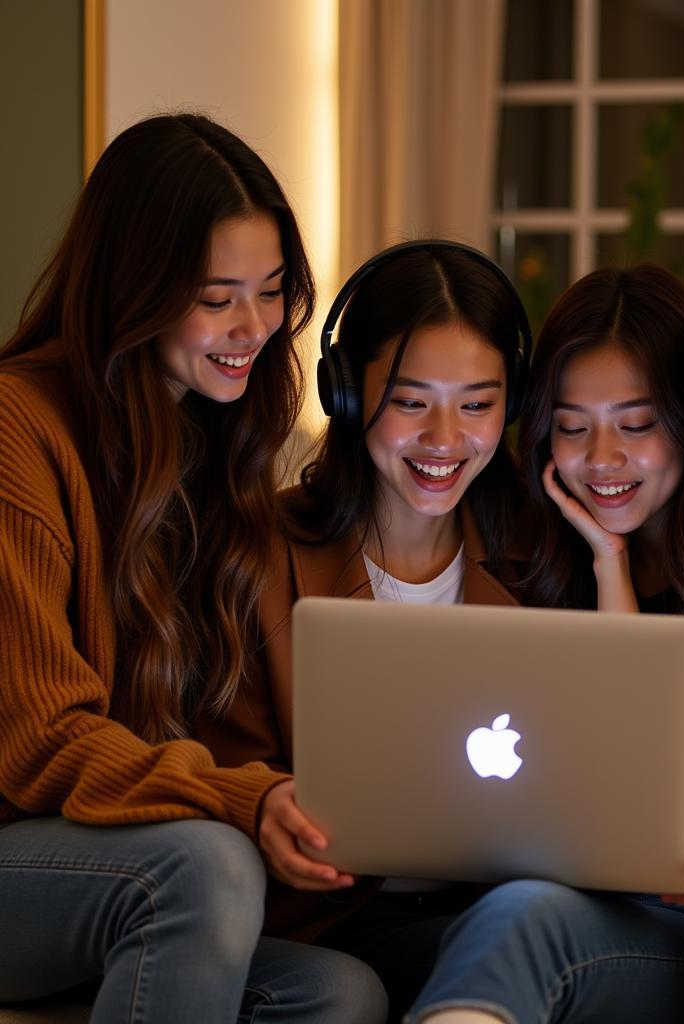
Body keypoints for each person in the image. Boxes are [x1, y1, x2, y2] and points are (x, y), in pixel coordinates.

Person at [0, 113, 385, 1023]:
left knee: (342, 995)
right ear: (134, 287)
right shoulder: (19, 428)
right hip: (27, 852)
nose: (253, 328)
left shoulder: (219, 444)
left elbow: (225, 730)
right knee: (202, 866)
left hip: (111, 869)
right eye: (217, 298)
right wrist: (239, 803)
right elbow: (38, 743)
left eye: (272, 290)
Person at [401, 266, 684, 1024]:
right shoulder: (526, 549)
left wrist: (612, 569)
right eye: (571, 427)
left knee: (520, 921)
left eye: (636, 426)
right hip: (530, 895)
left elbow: (670, 800)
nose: (601, 458)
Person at [199, 240, 532, 1022]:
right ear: (348, 396)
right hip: (318, 920)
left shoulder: (533, 564)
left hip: (486, 913)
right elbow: (216, 767)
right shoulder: (261, 552)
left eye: (478, 405)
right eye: (412, 403)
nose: (446, 439)